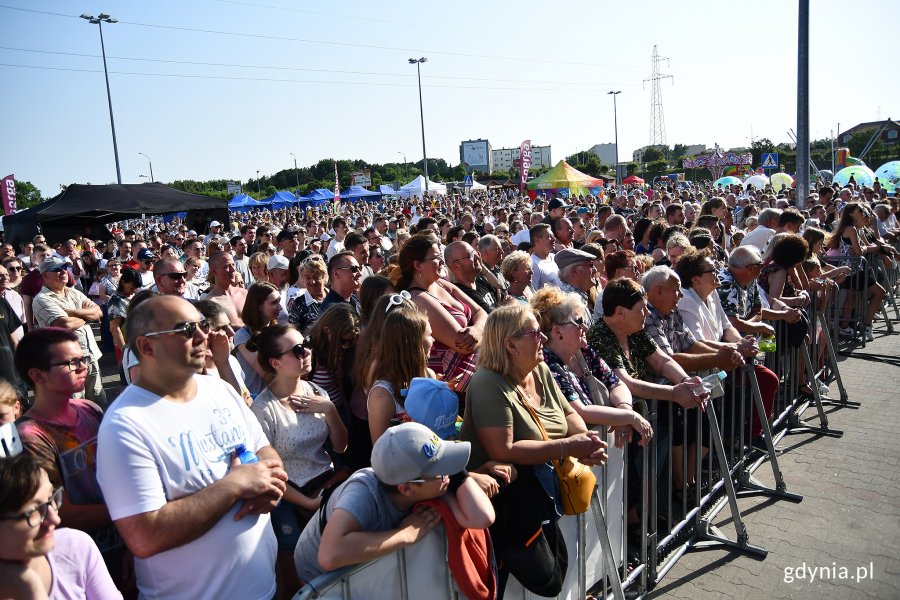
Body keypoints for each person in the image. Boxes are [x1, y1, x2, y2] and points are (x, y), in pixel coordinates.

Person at [96, 295, 287, 600]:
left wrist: (269, 486)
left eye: (201, 325)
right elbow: (145, 535)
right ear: (147, 347)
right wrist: (235, 485)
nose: (203, 336)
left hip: (264, 589)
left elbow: (265, 452)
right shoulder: (125, 425)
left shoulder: (221, 390)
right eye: (186, 329)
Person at [294, 422, 494, 584]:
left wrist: (457, 471)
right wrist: (407, 534)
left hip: (364, 572)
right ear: (406, 488)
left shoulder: (430, 484)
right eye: (441, 471)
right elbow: (329, 555)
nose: (447, 477)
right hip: (319, 579)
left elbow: (482, 517)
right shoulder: (362, 493)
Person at [249, 324, 348, 599]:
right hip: (287, 494)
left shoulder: (317, 391)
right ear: (275, 363)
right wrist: (308, 503)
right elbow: (267, 473)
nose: (306, 351)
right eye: (296, 350)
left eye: (306, 343)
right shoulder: (264, 410)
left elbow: (341, 446)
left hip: (325, 483)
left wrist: (329, 410)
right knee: (295, 577)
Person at [459, 303, 608, 479]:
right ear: (511, 346)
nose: (544, 338)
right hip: (507, 494)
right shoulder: (487, 382)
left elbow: (568, 413)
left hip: (548, 487)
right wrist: (568, 447)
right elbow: (503, 451)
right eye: (535, 333)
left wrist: (585, 441)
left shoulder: (540, 369)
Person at [529, 287, 652, 444]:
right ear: (557, 332)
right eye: (578, 322)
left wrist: (624, 409)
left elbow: (616, 383)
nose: (585, 328)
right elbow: (580, 410)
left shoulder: (584, 351)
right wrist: (630, 417)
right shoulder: (547, 363)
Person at [0, 453, 122, 600]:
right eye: (33, 512)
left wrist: (32, 590)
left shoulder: (76, 547)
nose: (55, 519)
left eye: (51, 499)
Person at [397, 234, 485, 397]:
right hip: (454, 388)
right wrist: (483, 329)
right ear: (418, 265)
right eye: (436, 257)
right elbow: (464, 346)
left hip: (474, 376)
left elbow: (481, 312)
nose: (442, 261)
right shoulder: (419, 299)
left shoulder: (441, 283)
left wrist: (477, 329)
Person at [31, 257, 105, 405]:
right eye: (56, 269)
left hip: (90, 356)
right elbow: (64, 323)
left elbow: (98, 312)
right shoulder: (41, 299)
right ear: (45, 275)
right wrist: (87, 316)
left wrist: (74, 312)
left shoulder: (73, 292)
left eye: (65, 267)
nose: (63, 271)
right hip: (67, 363)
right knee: (75, 407)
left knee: (97, 404)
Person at [364, 297, 435, 443]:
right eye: (429, 335)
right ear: (414, 343)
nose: (433, 340)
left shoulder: (429, 375)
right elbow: (380, 450)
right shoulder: (382, 396)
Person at [307, 304, 360, 415]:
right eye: (342, 340)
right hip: (320, 416)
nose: (346, 346)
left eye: (351, 341)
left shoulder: (346, 349)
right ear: (327, 330)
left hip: (342, 410)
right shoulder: (310, 352)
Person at [235, 282, 283, 398]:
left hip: (277, 394)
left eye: (279, 301)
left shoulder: (276, 329)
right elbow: (265, 374)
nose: (280, 307)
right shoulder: (243, 335)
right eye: (273, 303)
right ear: (258, 306)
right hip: (258, 398)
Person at [202, 251, 248, 328]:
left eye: (233, 265)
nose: (233, 270)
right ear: (214, 271)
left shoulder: (245, 293)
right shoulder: (212, 301)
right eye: (226, 266)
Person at [106, 267, 141, 366]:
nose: (134, 290)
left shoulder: (131, 295)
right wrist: (125, 352)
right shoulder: (116, 300)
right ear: (123, 282)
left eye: (136, 288)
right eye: (131, 287)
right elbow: (115, 328)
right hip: (125, 344)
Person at [288, 256, 328, 333]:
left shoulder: (334, 297)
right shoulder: (298, 304)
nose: (312, 281)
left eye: (316, 277)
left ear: (324, 276)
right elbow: (293, 333)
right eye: (308, 278)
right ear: (303, 278)